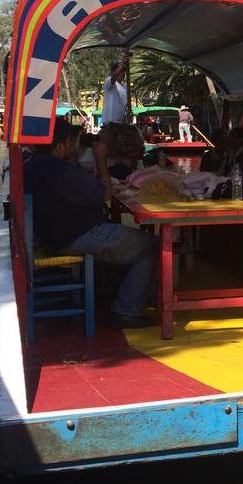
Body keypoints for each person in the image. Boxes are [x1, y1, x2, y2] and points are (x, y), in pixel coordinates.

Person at [23, 118, 157, 328]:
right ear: (59, 147)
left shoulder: (33, 165)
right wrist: (100, 157)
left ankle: (121, 290)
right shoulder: (61, 171)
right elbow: (103, 194)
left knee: (127, 237)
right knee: (150, 245)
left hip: (51, 234)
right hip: (75, 236)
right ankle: (126, 310)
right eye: (70, 143)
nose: (74, 146)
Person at [102, 56, 128, 125]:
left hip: (120, 123)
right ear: (114, 72)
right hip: (109, 123)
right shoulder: (109, 82)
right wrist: (122, 65)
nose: (123, 74)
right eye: (121, 71)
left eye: (124, 72)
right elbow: (113, 78)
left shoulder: (125, 87)